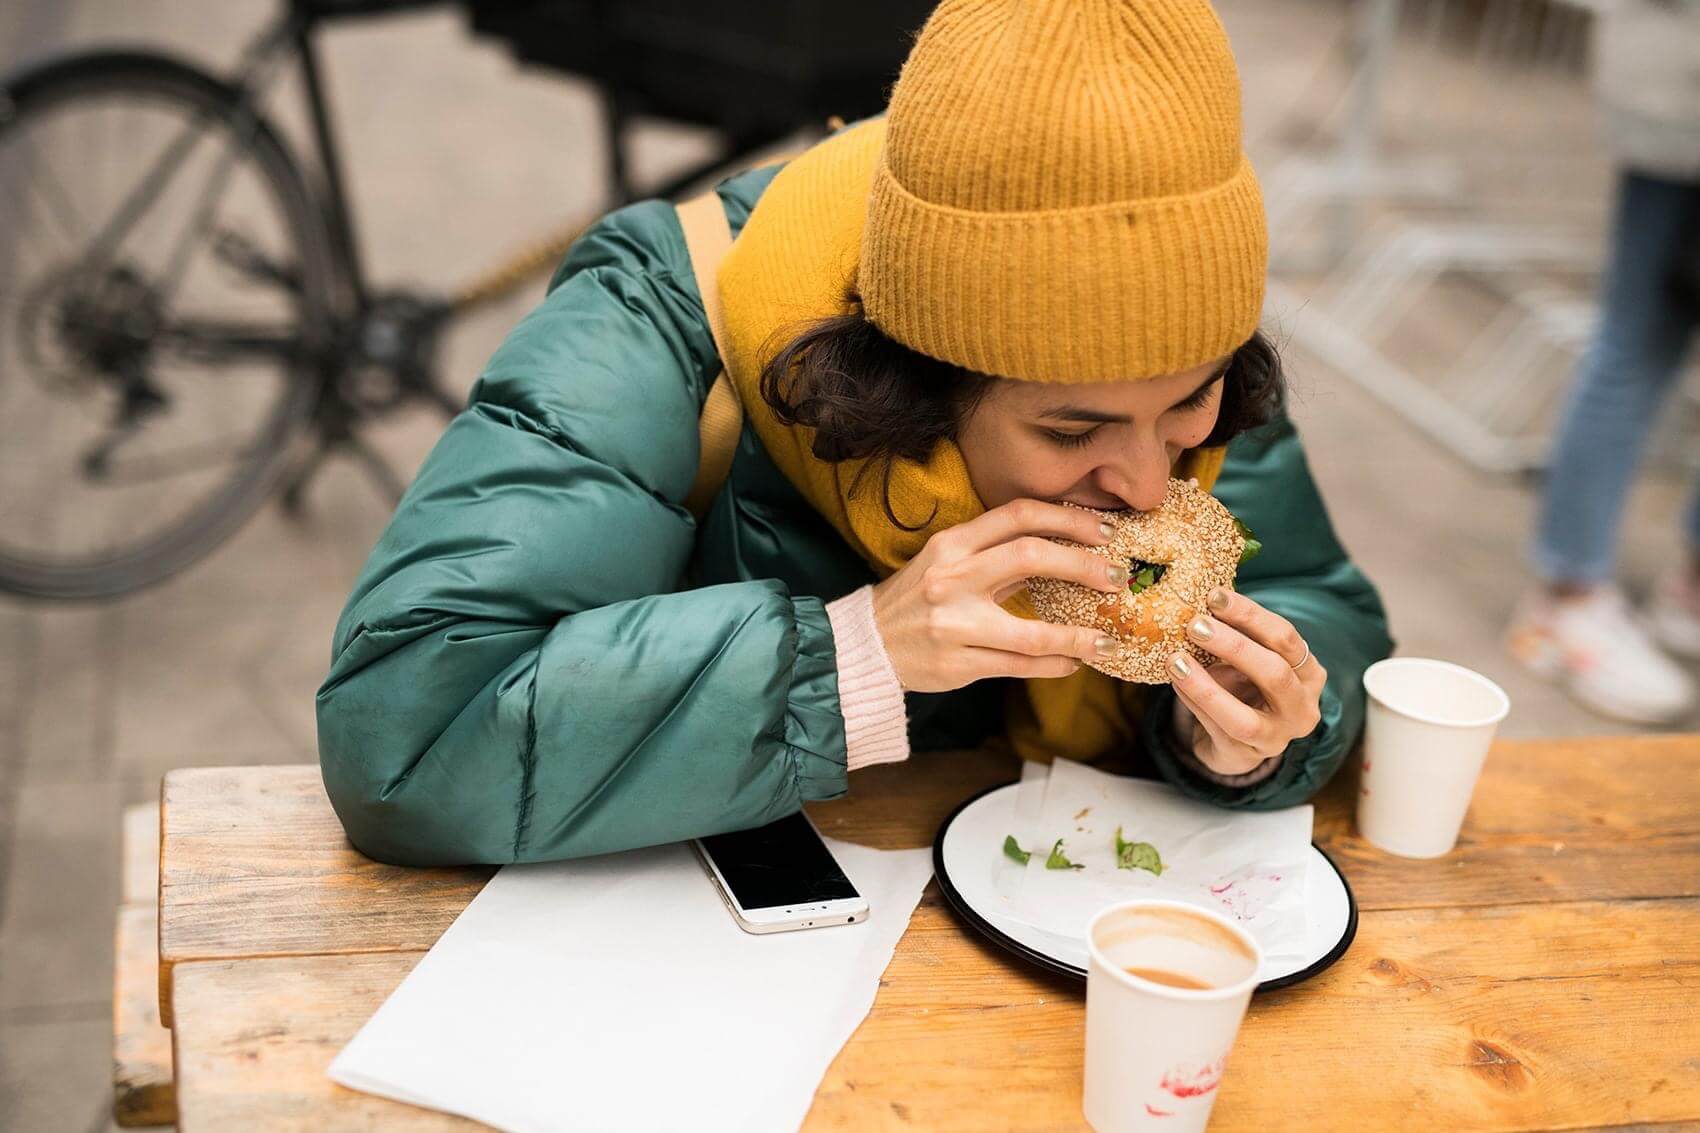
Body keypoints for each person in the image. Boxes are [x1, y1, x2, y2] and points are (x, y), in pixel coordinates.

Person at [315, 0, 1395, 866]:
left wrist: (1241, 735)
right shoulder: (653, 317)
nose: (1148, 479)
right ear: (914, 384)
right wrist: (851, 659)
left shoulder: (1175, 362)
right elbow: (407, 732)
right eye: (1072, 427)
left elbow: (1316, 597)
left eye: (1189, 406)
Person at [1505, 0, 1700, 725]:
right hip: (1680, 92)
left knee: (1636, 338)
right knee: (1638, 338)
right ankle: (1567, 596)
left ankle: (1689, 586)